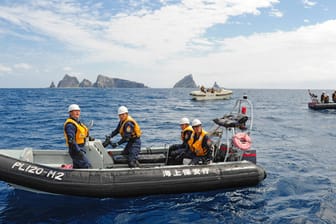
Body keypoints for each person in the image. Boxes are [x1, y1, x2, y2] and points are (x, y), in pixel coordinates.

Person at [64, 104, 91, 169]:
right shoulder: (70, 125)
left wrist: (89, 138)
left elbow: (80, 134)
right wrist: (78, 151)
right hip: (75, 149)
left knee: (78, 166)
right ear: (70, 113)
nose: (77, 112)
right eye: (75, 111)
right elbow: (71, 139)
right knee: (86, 165)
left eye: (78, 111)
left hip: (81, 147)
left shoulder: (78, 123)